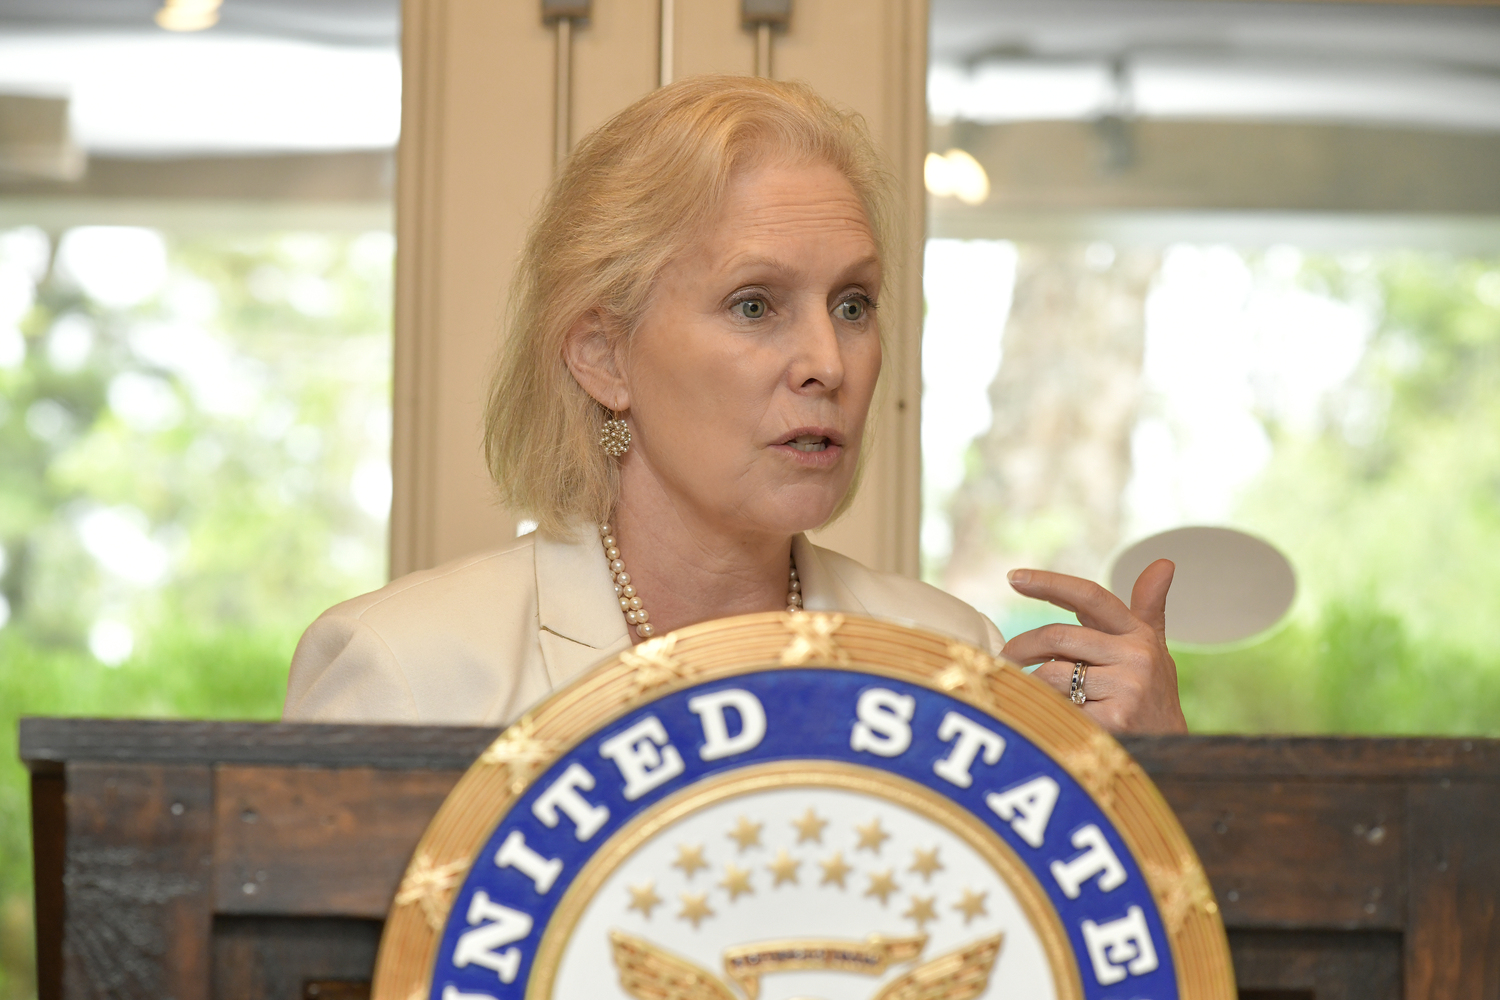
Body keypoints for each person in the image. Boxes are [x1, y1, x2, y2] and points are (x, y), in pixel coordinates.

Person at [284, 76, 1186, 735]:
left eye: (853, 304)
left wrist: (1157, 791)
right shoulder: (405, 672)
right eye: (755, 305)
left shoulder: (952, 659)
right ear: (604, 358)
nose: (828, 363)